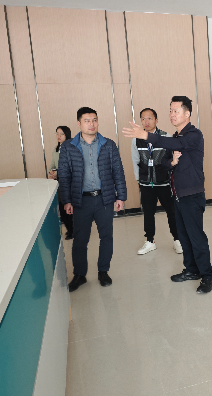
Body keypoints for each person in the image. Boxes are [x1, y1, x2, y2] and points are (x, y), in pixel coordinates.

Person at [123, 96, 212, 294]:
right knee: (183, 235)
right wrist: (172, 162)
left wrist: (146, 135)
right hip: (178, 195)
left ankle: (208, 276)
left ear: (187, 114)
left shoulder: (193, 135)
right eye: (170, 111)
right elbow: (163, 163)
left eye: (176, 111)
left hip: (192, 195)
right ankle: (191, 270)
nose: (172, 114)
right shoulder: (174, 138)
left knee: (196, 237)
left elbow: (175, 143)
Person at [58, 107, 127, 292]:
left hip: (104, 198)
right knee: (80, 239)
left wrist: (121, 196)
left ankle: (103, 271)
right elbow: (64, 176)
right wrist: (67, 200)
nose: (92, 124)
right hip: (81, 201)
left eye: (94, 120)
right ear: (79, 123)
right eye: (87, 121)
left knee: (106, 236)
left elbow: (118, 172)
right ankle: (80, 275)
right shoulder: (68, 147)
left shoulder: (108, 145)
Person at [131, 108, 182, 255]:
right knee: (148, 213)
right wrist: (140, 180)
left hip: (164, 183)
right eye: (143, 119)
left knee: (172, 212)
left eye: (150, 118)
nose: (146, 121)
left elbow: (173, 160)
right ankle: (150, 241)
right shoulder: (136, 139)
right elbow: (135, 161)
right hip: (146, 184)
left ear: (156, 120)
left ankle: (177, 240)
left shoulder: (166, 137)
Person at [48, 126, 74, 240]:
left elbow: (71, 166)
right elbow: (52, 165)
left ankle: (74, 230)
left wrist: (57, 172)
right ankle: (70, 229)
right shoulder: (56, 149)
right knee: (62, 206)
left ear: (66, 135)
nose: (58, 136)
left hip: (70, 181)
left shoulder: (72, 148)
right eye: (57, 133)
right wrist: (51, 172)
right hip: (59, 182)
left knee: (70, 206)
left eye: (61, 134)